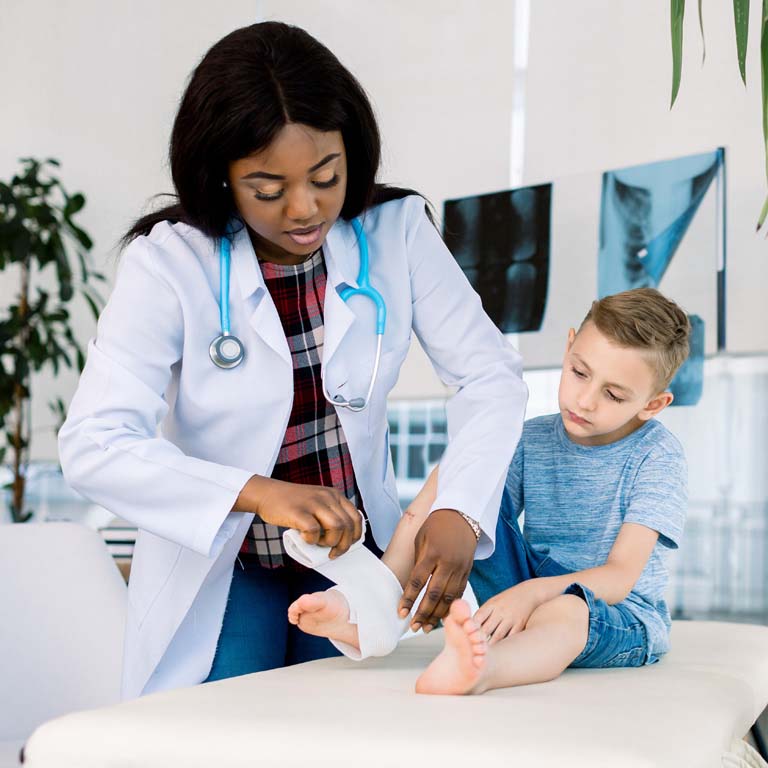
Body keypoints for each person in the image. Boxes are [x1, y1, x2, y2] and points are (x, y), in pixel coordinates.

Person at [57, 21, 527, 699]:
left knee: (346, 729)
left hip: (351, 560)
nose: (305, 210)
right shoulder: (168, 264)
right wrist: (260, 493)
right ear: (221, 177)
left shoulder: (396, 234)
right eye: (268, 190)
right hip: (227, 562)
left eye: (326, 177)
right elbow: (93, 446)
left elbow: (490, 378)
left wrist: (462, 509)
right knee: (226, 730)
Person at [288, 287, 689, 696]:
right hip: (530, 585)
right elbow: (471, 508)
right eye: (580, 373)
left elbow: (620, 577)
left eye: (613, 394)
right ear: (568, 347)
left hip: (613, 612)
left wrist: (529, 596)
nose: (584, 401)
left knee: (567, 609)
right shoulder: (531, 438)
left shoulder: (656, 455)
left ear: (652, 405)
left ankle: (486, 669)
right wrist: (463, 517)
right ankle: (374, 608)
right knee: (462, 490)